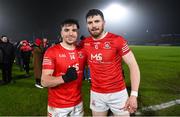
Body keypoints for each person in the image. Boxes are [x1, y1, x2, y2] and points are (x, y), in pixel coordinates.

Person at [81, 9, 140, 116]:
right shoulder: (85, 43)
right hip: (96, 93)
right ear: (87, 25)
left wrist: (134, 95)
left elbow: (133, 65)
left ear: (104, 22)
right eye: (90, 22)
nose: (93, 25)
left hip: (118, 93)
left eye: (97, 21)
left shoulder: (117, 40)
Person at [41, 19, 86, 116]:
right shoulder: (52, 51)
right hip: (58, 106)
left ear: (77, 33)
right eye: (66, 30)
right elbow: (44, 81)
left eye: (74, 30)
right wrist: (64, 78)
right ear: (61, 33)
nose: (70, 33)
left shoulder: (82, 51)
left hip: (78, 103)